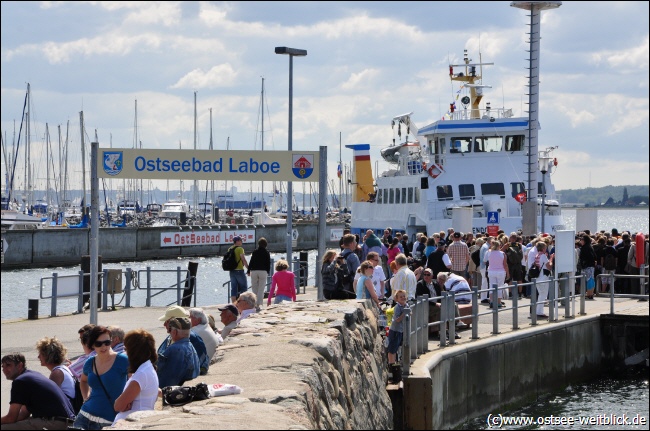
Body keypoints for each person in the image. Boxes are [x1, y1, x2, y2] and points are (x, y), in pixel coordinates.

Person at [73, 325, 129, 430]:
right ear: (93, 345)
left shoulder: (122, 360)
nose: (103, 347)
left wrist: (127, 402)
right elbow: (83, 381)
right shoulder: (90, 362)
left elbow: (136, 382)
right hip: (84, 415)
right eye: (99, 344)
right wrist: (86, 397)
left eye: (107, 343)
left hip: (108, 420)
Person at [1, 353, 75, 430]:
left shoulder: (20, 381)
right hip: (66, 421)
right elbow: (23, 414)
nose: (4, 369)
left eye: (8, 365)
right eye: (2, 366)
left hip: (54, 422)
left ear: (20, 365)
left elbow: (11, 418)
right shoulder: (31, 376)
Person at [112, 329, 159, 426]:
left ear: (134, 352)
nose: (125, 353)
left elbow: (118, 406)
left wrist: (125, 403)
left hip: (133, 423)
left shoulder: (141, 374)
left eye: (126, 349)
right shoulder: (147, 368)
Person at [157, 305, 209, 376]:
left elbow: (199, 365)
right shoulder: (173, 337)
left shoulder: (190, 338)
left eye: (167, 321)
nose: (164, 324)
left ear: (176, 322)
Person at [156, 317, 200, 389]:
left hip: (174, 390)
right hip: (188, 387)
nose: (168, 332)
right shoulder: (191, 346)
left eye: (170, 329)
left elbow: (164, 377)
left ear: (175, 332)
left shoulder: (174, 349)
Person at [35, 337, 75, 401]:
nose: (38, 357)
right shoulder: (62, 369)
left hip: (65, 409)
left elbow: (49, 396)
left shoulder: (57, 373)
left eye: (41, 354)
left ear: (48, 356)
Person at [528, 241, 553, 319]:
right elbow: (549, 266)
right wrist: (551, 259)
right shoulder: (543, 256)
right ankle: (539, 312)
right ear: (543, 248)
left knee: (541, 294)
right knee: (543, 294)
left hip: (538, 277)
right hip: (543, 277)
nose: (546, 249)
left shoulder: (537, 255)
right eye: (545, 247)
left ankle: (538, 310)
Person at [386, 289, 410, 366]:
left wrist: (408, 312)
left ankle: (398, 363)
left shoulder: (406, 305)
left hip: (401, 330)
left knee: (399, 346)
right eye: (401, 297)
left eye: (404, 296)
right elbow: (397, 320)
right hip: (395, 330)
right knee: (392, 348)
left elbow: (410, 313)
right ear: (397, 299)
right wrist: (404, 313)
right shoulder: (397, 307)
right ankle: (392, 365)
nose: (403, 298)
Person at [247, 237, 271, 309]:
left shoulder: (255, 252)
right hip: (263, 271)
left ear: (259, 244)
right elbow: (268, 263)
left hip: (254, 271)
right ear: (265, 244)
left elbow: (251, 262)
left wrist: (248, 270)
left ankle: (254, 303)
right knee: (261, 288)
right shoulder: (267, 252)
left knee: (254, 288)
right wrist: (267, 271)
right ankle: (259, 304)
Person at [227, 236, 250, 303]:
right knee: (244, 287)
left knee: (233, 288)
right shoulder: (240, 249)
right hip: (239, 270)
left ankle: (234, 304)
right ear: (237, 241)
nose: (241, 241)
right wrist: (248, 268)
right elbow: (243, 260)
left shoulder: (230, 249)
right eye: (240, 240)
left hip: (232, 271)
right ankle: (243, 303)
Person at [486, 240, 508, 308]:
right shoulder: (502, 253)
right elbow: (505, 264)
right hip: (501, 271)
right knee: (500, 287)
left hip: (491, 271)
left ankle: (492, 301)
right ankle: (498, 302)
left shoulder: (488, 252)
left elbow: (484, 261)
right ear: (499, 246)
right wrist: (508, 273)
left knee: (491, 286)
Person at [579, 234, 597, 299]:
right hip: (591, 265)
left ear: (585, 240)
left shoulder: (584, 248)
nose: (580, 241)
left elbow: (584, 257)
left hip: (587, 266)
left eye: (581, 240)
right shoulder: (590, 246)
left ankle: (589, 293)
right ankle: (591, 293)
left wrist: (583, 264)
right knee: (591, 279)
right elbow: (594, 256)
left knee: (589, 279)